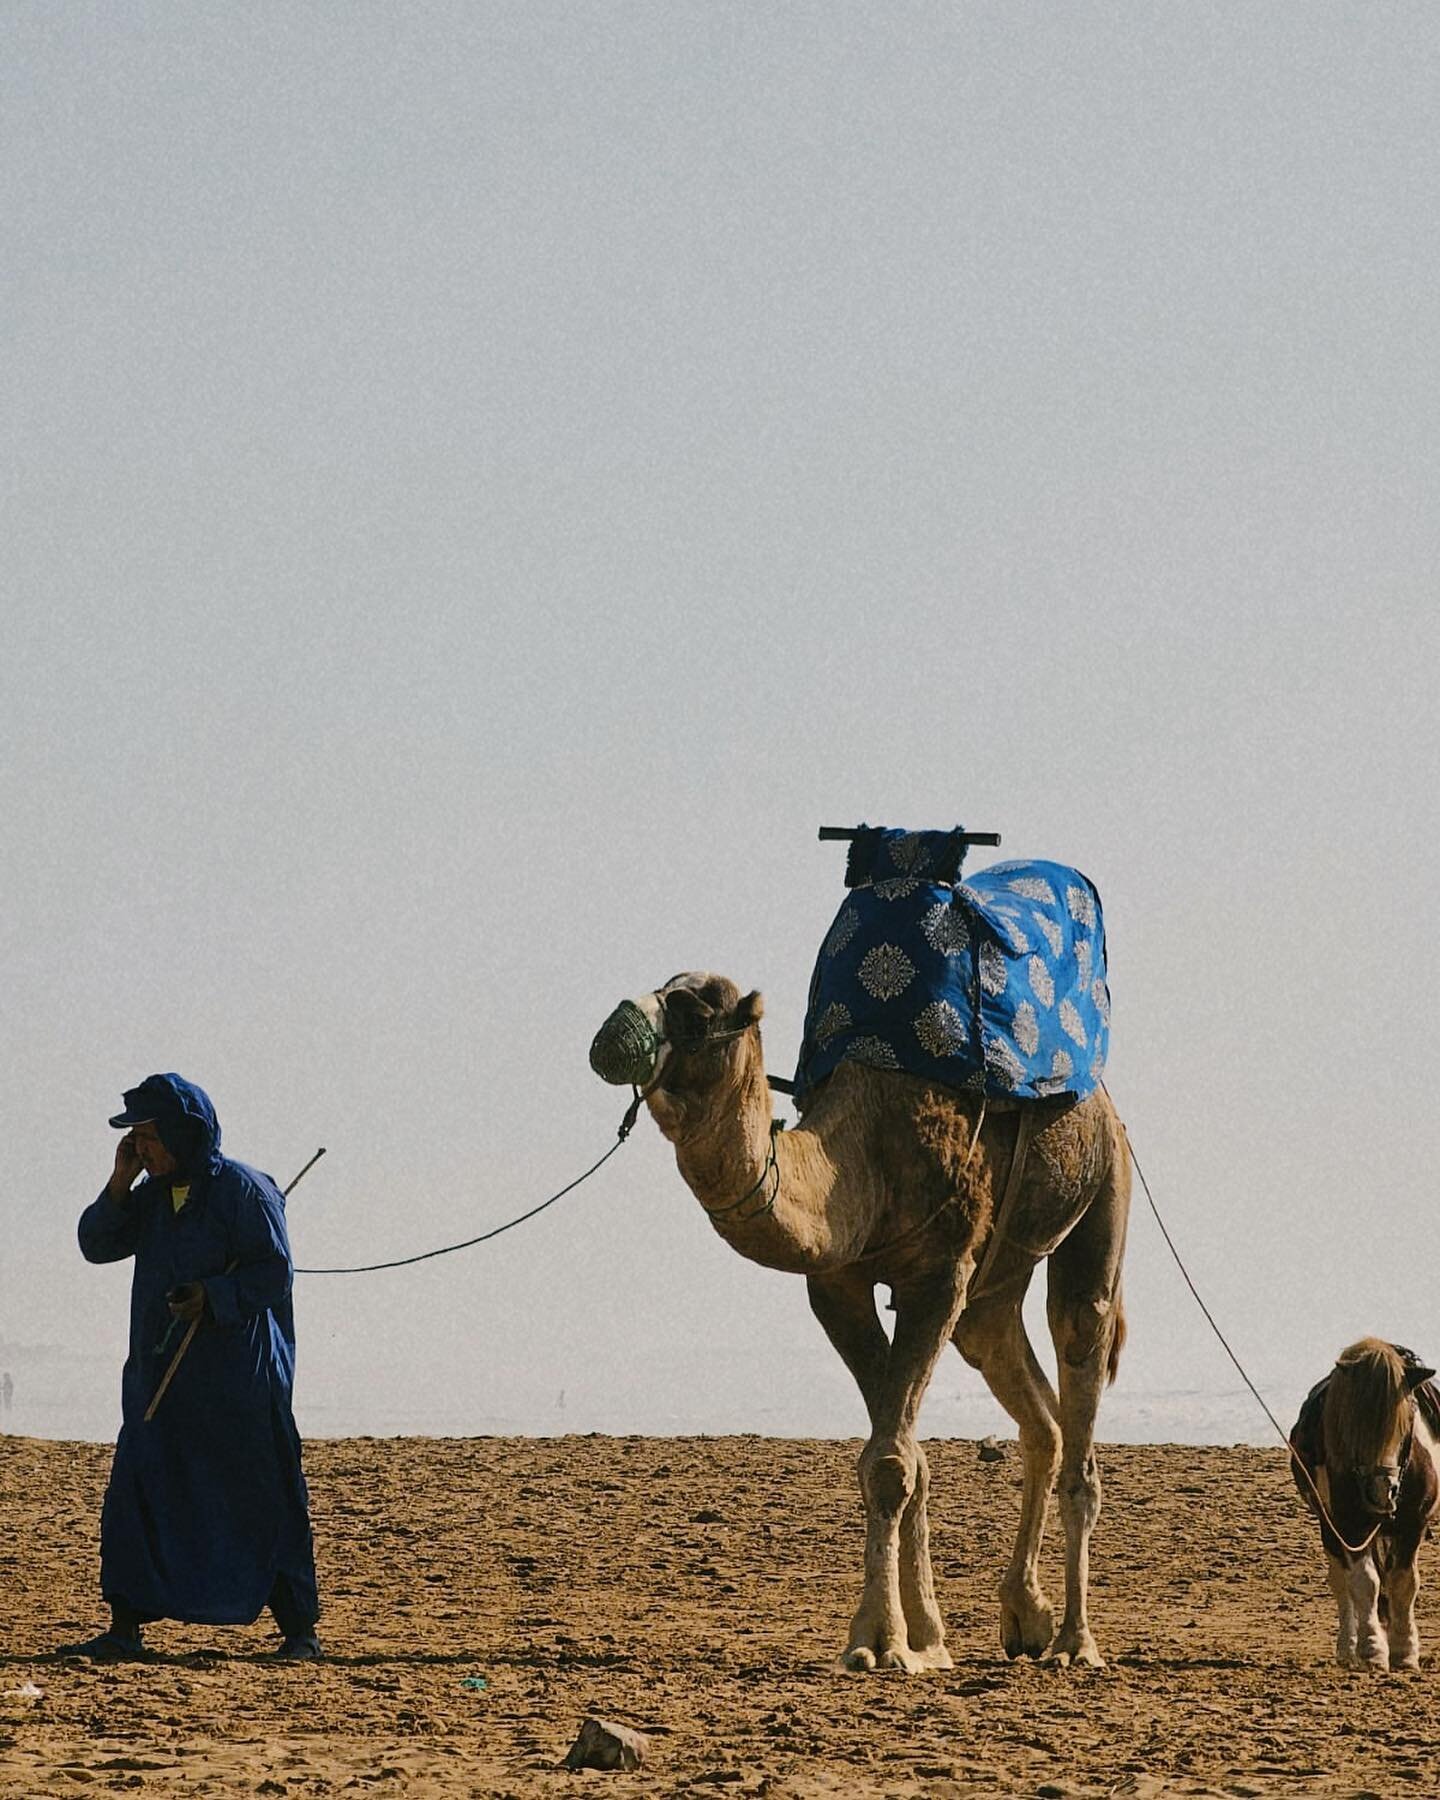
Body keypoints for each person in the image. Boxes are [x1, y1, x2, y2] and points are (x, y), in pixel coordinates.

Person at [59, 1074, 321, 1662]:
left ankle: (299, 1633)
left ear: (184, 1133)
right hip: (160, 1381)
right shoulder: (149, 1196)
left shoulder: (245, 1191)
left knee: (267, 1499)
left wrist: (213, 1295)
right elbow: (96, 1244)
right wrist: (121, 1178)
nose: (144, 1148)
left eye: (149, 1137)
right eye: (137, 1138)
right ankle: (125, 1626)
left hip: (239, 1384)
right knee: (138, 1488)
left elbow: (273, 1274)